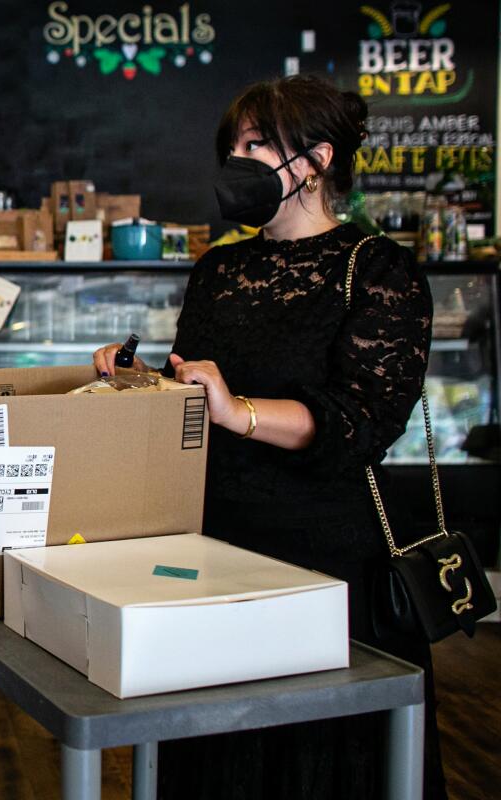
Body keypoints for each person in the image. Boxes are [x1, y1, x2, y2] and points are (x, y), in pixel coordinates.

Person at [95, 75, 444, 800]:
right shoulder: (219, 268)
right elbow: (196, 388)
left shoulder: (377, 270)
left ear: (314, 161)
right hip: (216, 550)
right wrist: (133, 379)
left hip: (327, 561)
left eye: (256, 145)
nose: (238, 158)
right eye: (233, 145)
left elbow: (365, 421)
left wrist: (241, 410)